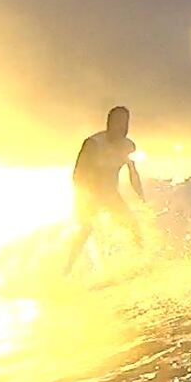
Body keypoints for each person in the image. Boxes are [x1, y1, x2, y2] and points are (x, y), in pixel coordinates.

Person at [67, 105, 145, 268]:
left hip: (110, 194)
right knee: (85, 230)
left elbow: (133, 173)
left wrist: (141, 196)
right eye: (118, 123)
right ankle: (67, 269)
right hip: (89, 194)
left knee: (132, 225)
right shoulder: (93, 144)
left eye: (125, 123)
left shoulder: (128, 146)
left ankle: (142, 262)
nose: (122, 127)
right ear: (109, 123)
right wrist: (85, 199)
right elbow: (77, 175)